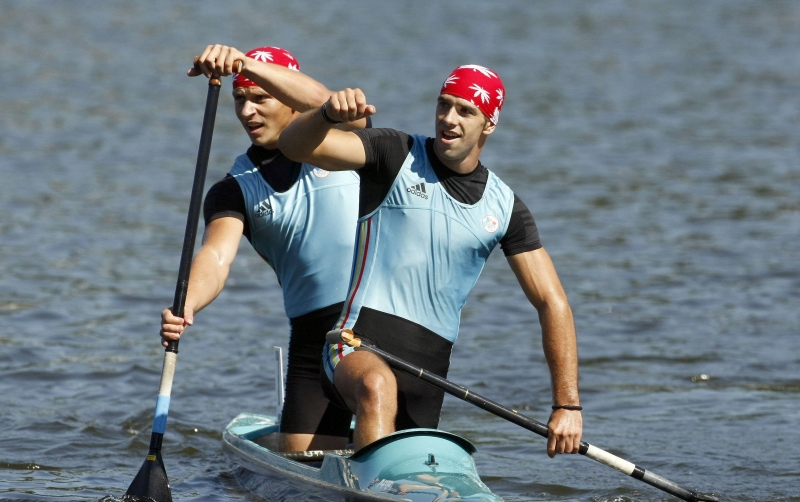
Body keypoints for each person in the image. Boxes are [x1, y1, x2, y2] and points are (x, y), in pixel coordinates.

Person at [278, 65, 582, 456]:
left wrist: (567, 405)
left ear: (488, 125)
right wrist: (325, 116)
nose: (448, 119)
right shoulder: (393, 153)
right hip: (353, 347)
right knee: (376, 387)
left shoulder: (506, 208)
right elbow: (294, 147)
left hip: (428, 377)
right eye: (443, 105)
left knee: (411, 487)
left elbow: (552, 302)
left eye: (464, 111)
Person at [160, 44, 368, 452]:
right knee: (303, 460)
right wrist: (187, 306)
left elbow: (346, 109)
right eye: (239, 99)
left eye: (260, 97)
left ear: (290, 97)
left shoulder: (341, 139)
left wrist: (245, 62)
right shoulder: (234, 188)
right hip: (316, 337)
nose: (247, 112)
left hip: (380, 318)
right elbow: (216, 257)